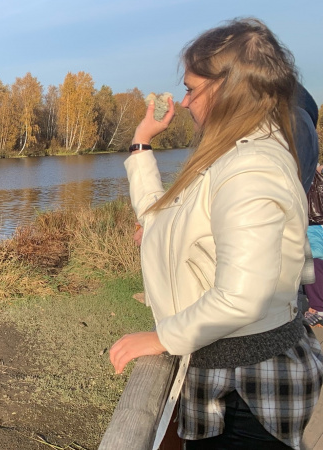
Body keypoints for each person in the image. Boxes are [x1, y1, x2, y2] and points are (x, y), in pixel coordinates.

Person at [109, 18, 323, 449]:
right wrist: (141, 143)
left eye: (191, 88)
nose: (185, 102)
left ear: (227, 87)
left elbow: (243, 296)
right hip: (226, 375)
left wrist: (162, 338)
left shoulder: (251, 167)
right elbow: (158, 220)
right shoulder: (227, 157)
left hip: (247, 389)